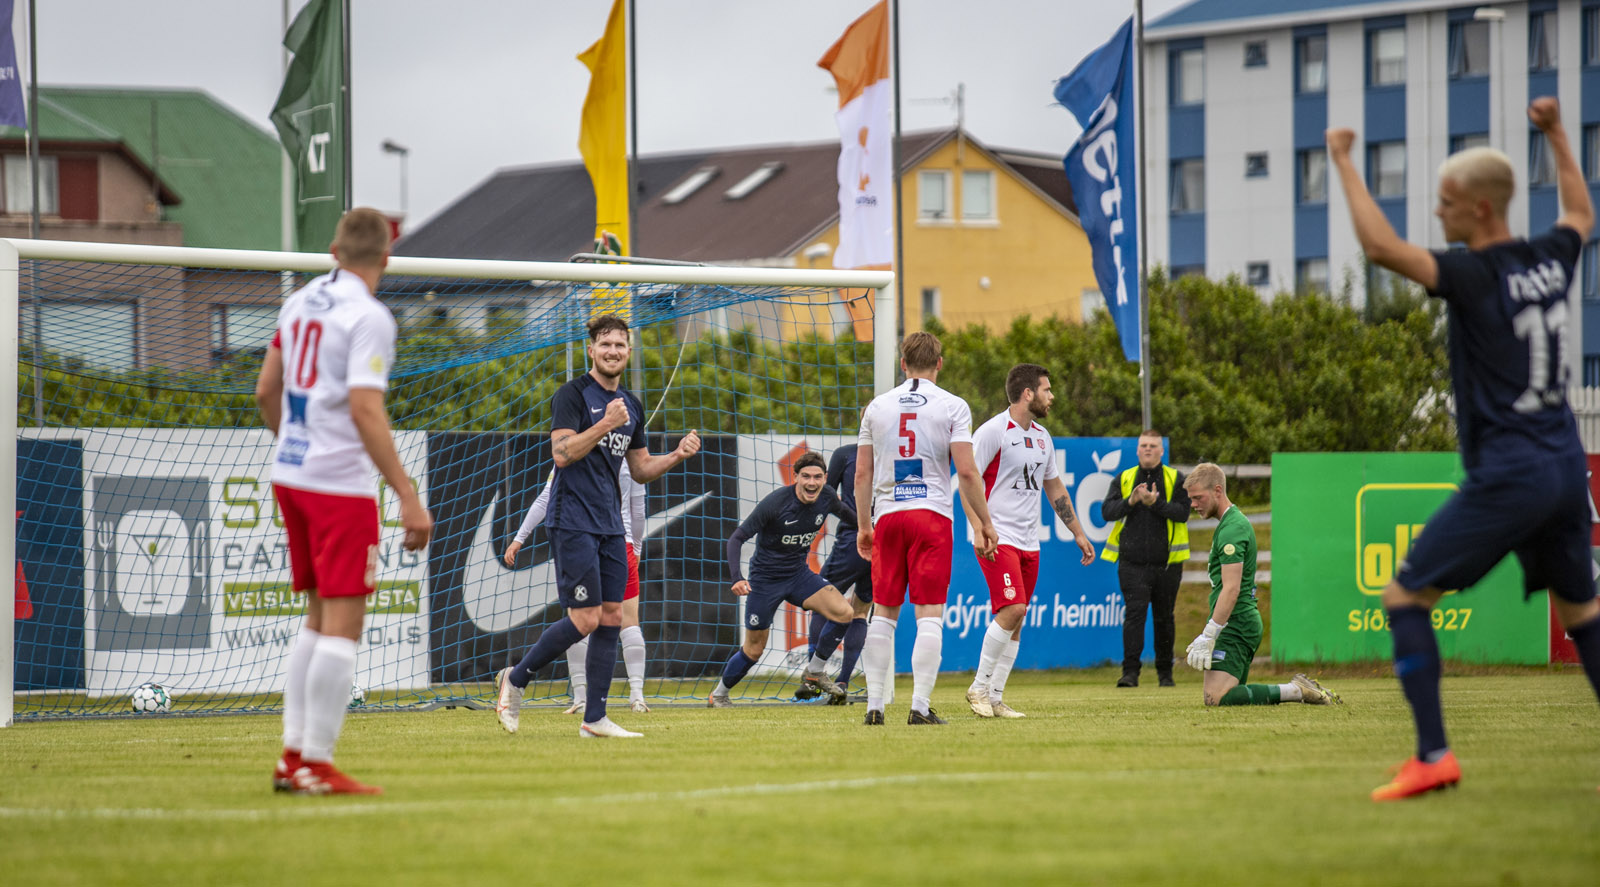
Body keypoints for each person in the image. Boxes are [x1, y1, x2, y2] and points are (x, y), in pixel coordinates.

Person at [1329, 97, 1600, 800]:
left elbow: (1382, 250)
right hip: (1567, 464)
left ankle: (1433, 755)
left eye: (1446, 203)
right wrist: (1559, 135)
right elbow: (1580, 215)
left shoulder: (1476, 274)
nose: (1438, 213)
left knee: (1404, 594)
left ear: (1480, 209)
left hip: (1512, 470)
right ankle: (1432, 754)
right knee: (1582, 613)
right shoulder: (1550, 258)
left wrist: (1342, 161)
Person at [257, 207, 433, 795]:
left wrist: (295, 447)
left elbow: (265, 389)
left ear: (334, 249)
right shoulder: (371, 316)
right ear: (385, 258)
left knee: (316, 618)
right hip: (338, 486)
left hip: (292, 475)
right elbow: (364, 408)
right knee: (343, 625)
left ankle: (293, 757)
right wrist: (407, 494)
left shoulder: (301, 299)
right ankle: (317, 762)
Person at [493, 313, 699, 739]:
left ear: (629, 351)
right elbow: (562, 454)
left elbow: (640, 469)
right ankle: (514, 681)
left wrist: (677, 455)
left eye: (620, 345)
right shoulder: (572, 395)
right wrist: (605, 423)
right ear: (591, 349)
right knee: (585, 618)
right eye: (605, 344)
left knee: (612, 616)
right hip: (572, 520)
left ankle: (595, 719)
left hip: (611, 524)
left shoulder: (633, 404)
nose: (613, 351)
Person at [855, 331, 999, 726]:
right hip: (931, 514)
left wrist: (864, 526)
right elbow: (967, 472)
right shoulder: (953, 405)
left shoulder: (876, 407)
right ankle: (919, 707)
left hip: (888, 515)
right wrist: (985, 522)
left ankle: (874, 707)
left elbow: (862, 472)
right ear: (939, 363)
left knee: (883, 612)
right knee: (929, 615)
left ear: (903, 364)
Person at [965, 364, 1095, 718]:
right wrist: (979, 528)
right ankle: (977, 688)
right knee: (1013, 609)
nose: (1051, 396)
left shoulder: (1042, 436)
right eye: (1047, 390)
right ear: (1027, 394)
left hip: (1029, 541)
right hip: (997, 537)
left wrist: (1078, 532)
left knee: (1018, 619)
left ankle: (994, 697)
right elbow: (967, 480)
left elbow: (1054, 486)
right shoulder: (993, 431)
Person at [1183, 463, 1339, 711]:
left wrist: (1210, 633)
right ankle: (1297, 690)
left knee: (1216, 697)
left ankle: (1297, 690)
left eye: (1198, 497)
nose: (1193, 504)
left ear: (1217, 490)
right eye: (1191, 498)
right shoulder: (1230, 523)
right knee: (1229, 697)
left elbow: (1231, 589)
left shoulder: (1232, 529)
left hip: (1236, 622)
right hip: (1238, 620)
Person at [709, 452, 859, 706]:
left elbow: (848, 516)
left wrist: (869, 531)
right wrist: (737, 577)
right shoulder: (776, 503)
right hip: (765, 581)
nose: (812, 483)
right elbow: (736, 538)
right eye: (806, 477)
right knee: (754, 650)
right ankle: (719, 694)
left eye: (818, 477)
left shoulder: (827, 497)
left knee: (845, 612)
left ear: (824, 479)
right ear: (796, 477)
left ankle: (814, 672)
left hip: (798, 575)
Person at [503, 458, 650, 715]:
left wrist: (519, 538)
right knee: (625, 621)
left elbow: (545, 498)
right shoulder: (625, 453)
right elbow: (638, 510)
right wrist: (636, 548)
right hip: (618, 544)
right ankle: (635, 696)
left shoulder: (575, 447)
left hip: (584, 543)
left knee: (581, 619)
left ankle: (582, 698)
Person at [1100, 431, 1191, 688]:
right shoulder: (1125, 478)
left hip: (1167, 564)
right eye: (1143, 446)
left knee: (1165, 618)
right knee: (1134, 616)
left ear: (1161, 451)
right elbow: (1107, 512)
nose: (1148, 450)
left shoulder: (1176, 479)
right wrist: (1132, 500)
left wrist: (1155, 503)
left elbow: (1183, 513)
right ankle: (1130, 674)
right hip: (1132, 563)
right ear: (1137, 450)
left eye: (1153, 446)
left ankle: (1165, 674)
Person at [794, 444, 873, 702]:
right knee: (861, 610)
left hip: (854, 539)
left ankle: (813, 681)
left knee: (821, 604)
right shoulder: (895, 453)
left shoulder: (847, 453)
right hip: (884, 540)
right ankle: (843, 682)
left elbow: (826, 492)